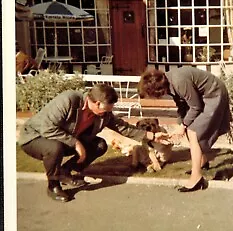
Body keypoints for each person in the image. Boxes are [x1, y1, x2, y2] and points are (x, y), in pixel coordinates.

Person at [18, 84, 170, 202]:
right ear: (97, 103)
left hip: (63, 139)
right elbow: (47, 128)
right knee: (54, 148)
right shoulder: (69, 100)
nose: (110, 111)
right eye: (108, 108)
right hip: (35, 137)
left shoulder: (104, 113)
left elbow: (122, 127)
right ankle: (53, 186)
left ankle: (66, 171)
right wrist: (76, 143)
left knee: (99, 145)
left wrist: (152, 136)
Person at [139, 67, 230, 192]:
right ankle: (202, 162)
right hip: (203, 97)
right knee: (189, 129)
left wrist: (183, 126)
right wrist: (180, 124)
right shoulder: (168, 81)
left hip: (213, 95)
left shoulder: (178, 81)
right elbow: (182, 105)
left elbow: (195, 106)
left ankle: (196, 178)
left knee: (194, 132)